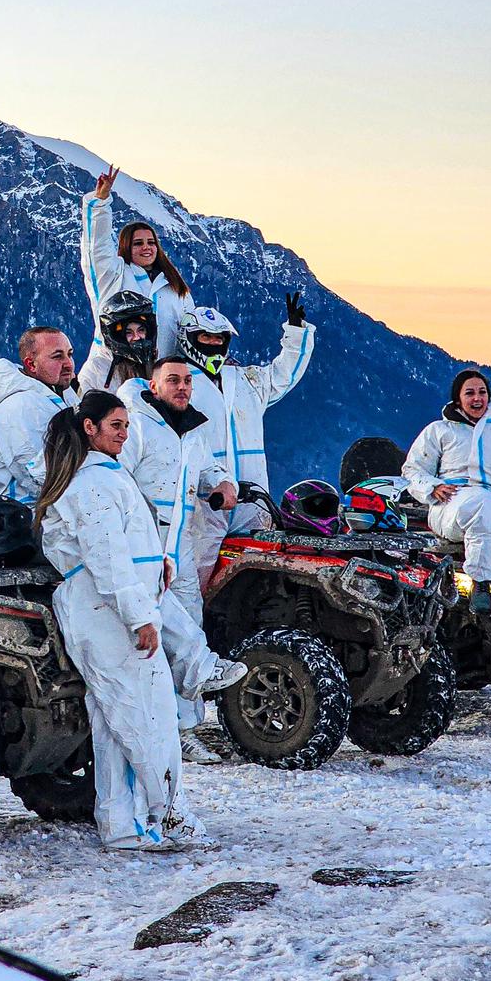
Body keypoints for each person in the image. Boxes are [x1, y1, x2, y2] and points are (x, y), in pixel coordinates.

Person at [35, 390, 207, 852]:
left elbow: (123, 548)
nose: (125, 434)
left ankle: (122, 825)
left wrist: (156, 567)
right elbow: (107, 560)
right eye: (116, 425)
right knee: (144, 716)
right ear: (89, 428)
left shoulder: (103, 476)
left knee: (115, 720)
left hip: (106, 608)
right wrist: (139, 619)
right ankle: (169, 814)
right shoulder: (91, 484)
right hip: (106, 613)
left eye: (127, 425)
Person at [118, 356, 236, 764]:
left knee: (188, 620)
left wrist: (222, 483)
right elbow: (115, 476)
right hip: (145, 542)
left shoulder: (193, 428)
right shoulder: (136, 425)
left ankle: (187, 728)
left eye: (187, 380)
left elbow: (207, 468)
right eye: (173, 380)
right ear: (153, 386)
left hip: (182, 542)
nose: (182, 387)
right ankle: (154, 725)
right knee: (152, 633)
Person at [180, 296, 316, 584]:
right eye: (206, 337)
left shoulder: (246, 379)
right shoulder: (180, 384)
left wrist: (296, 332)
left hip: (253, 501)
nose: (214, 343)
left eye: (219, 338)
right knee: (194, 581)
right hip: (204, 504)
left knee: (259, 579)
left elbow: (283, 375)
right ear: (189, 338)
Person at [403, 369, 491, 614]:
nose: (477, 398)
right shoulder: (439, 430)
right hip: (452, 501)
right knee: (483, 503)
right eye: (469, 393)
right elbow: (413, 469)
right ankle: (481, 582)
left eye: (482, 392)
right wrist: (432, 486)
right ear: (458, 399)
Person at [80, 166, 191, 388]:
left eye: (151, 242)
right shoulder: (113, 276)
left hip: (161, 377)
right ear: (126, 247)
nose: (146, 248)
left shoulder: (174, 287)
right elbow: (97, 248)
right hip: (112, 373)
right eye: (138, 243)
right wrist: (100, 203)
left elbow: (189, 331)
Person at [0, 327, 79, 502]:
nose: (69, 364)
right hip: (25, 511)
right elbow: (37, 478)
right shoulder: (20, 407)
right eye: (57, 357)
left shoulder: (62, 395)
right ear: (31, 365)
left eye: (70, 354)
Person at [77, 290, 157, 394]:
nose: (136, 337)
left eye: (141, 330)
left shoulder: (155, 360)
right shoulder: (95, 370)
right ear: (116, 336)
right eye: (129, 332)